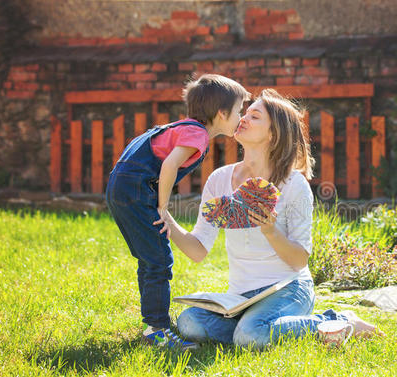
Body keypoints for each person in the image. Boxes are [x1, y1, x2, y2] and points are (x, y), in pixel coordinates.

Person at [155, 89, 382, 349]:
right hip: (240, 297)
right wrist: (164, 216)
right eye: (245, 113)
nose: (243, 119)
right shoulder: (219, 179)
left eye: (255, 116)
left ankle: (339, 321)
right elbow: (198, 251)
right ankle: (257, 328)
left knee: (250, 336)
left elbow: (299, 260)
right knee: (190, 324)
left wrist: (271, 230)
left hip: (288, 289)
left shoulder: (293, 184)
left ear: (273, 134)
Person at [105, 74, 250, 348]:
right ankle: (157, 330)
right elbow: (170, 165)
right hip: (136, 189)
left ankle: (154, 323)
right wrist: (161, 205)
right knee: (159, 258)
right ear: (221, 113)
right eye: (239, 111)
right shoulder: (197, 134)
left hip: (122, 186)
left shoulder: (181, 127)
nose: (241, 118)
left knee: (151, 257)